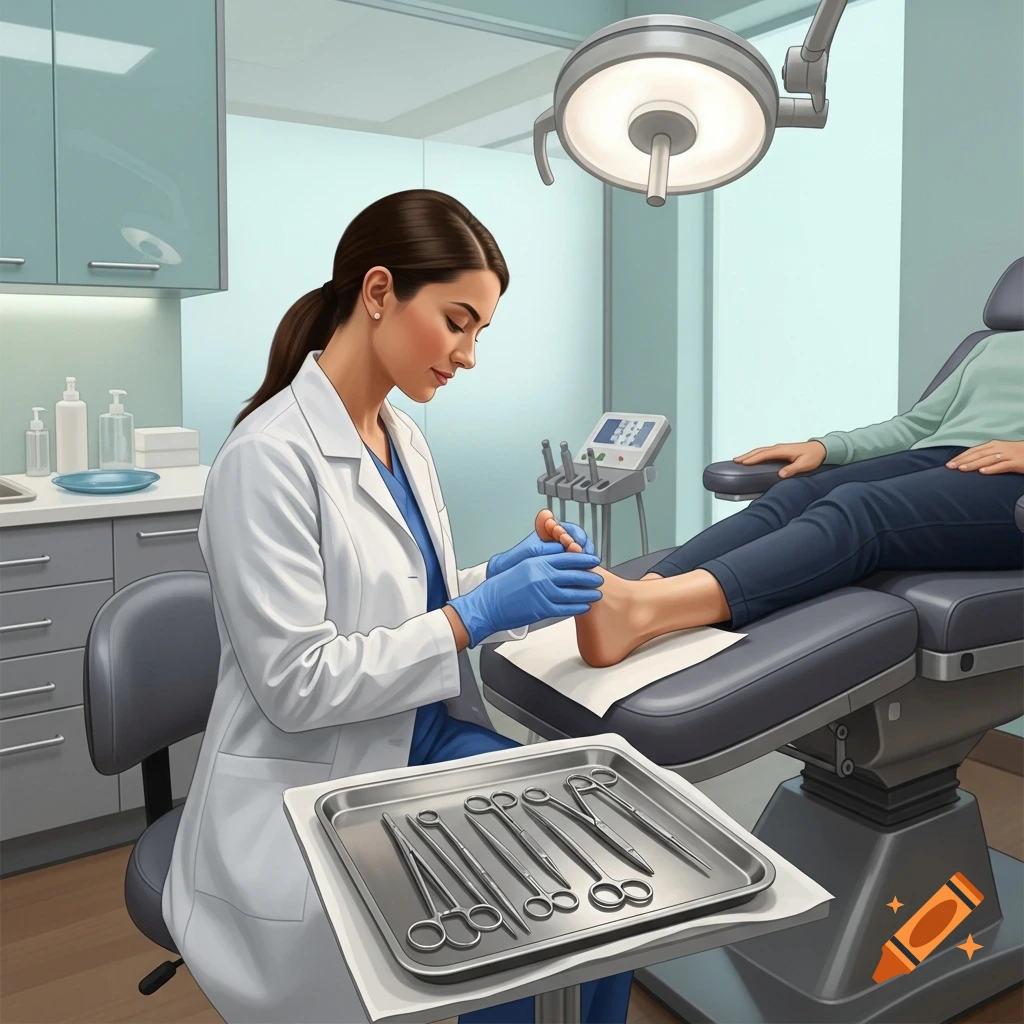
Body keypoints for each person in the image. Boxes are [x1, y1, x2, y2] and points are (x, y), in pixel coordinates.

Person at [162, 190, 633, 1024]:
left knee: (598, 884)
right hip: (320, 778)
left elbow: (408, 599)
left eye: (480, 331)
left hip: (422, 734)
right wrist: (476, 615)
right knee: (521, 924)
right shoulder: (265, 459)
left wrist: (500, 581)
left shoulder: (400, 434)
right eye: (458, 321)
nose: (468, 354)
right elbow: (298, 685)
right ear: (379, 292)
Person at [572, 330, 1024, 668]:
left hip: (1011, 485)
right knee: (796, 491)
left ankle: (645, 613)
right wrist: (826, 447)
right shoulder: (993, 346)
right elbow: (916, 426)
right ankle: (644, 588)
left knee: (861, 510)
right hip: (941, 458)